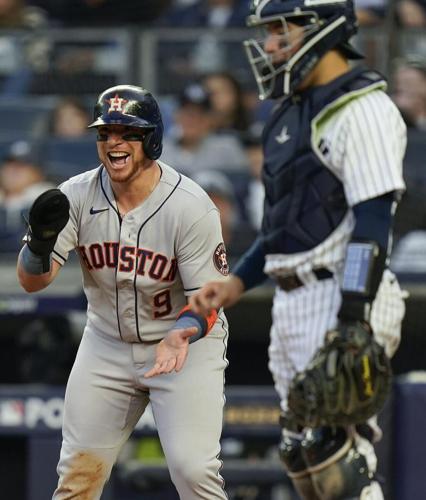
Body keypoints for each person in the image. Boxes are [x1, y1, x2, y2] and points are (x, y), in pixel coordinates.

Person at [190, 1, 407, 499]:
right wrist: (238, 281)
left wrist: (354, 315)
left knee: (339, 459)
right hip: (293, 298)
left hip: (342, 292)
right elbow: (284, 223)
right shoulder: (291, 111)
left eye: (280, 31)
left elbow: (372, 222)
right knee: (303, 458)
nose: (270, 46)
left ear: (322, 27)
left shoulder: (365, 108)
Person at [17, 84, 229, 499]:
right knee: (77, 477)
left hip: (184, 344)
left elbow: (211, 295)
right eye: (105, 133)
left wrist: (182, 332)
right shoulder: (75, 195)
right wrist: (39, 245)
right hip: (107, 344)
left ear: (151, 139)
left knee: (194, 472)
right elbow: (32, 281)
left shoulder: (190, 205)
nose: (114, 143)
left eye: (127, 133)